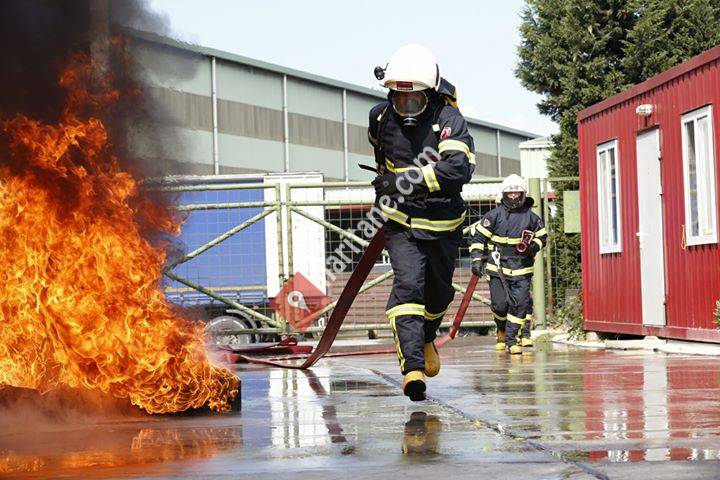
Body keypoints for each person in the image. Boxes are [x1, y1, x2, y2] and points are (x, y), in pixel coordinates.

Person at [368, 44, 475, 401]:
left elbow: (456, 170)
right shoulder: (380, 119)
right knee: (408, 287)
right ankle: (412, 369)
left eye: (414, 100)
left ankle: (428, 336)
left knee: (439, 293)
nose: (406, 108)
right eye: (399, 99)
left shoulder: (449, 120)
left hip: (443, 223)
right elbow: (383, 159)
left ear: (429, 95)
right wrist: (386, 187)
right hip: (401, 222)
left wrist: (403, 182)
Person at [468, 174, 547, 354]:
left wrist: (532, 247)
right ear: (503, 195)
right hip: (497, 267)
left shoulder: (532, 218)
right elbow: (479, 238)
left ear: (523, 194)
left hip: (522, 268)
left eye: (517, 193)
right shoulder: (493, 215)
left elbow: (542, 237)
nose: (513, 196)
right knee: (500, 306)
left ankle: (511, 341)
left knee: (519, 305)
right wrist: (477, 259)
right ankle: (501, 330)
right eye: (510, 193)